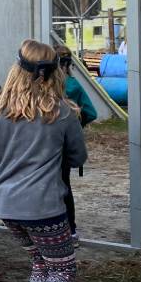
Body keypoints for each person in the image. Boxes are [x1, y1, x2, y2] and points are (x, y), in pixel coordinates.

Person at [0, 39, 87, 282]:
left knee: (42, 264)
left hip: (6, 206)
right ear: (55, 72)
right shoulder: (62, 113)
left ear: (17, 68)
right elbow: (77, 157)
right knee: (64, 268)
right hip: (44, 207)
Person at [55, 44, 97, 247]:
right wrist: (76, 127)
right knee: (65, 186)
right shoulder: (73, 85)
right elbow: (91, 112)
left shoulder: (42, 85)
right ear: (68, 64)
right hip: (64, 146)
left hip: (44, 145)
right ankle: (71, 231)